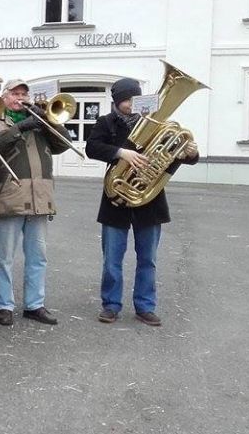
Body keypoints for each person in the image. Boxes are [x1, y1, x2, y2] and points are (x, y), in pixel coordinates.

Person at [85, 77, 198, 327]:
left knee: (148, 258)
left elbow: (177, 155)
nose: (130, 104)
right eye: (125, 100)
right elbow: (91, 147)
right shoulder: (105, 122)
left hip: (149, 201)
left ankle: (145, 306)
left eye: (134, 99)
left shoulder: (158, 124)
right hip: (117, 199)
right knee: (112, 259)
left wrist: (191, 153)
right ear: (116, 102)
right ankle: (111, 305)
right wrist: (121, 152)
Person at [0, 79, 71, 327]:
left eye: (24, 94)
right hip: (9, 196)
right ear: (5, 97)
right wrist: (21, 127)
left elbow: (65, 143)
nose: (21, 98)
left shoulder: (41, 122)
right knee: (4, 257)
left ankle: (34, 304)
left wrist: (48, 119)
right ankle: (5, 305)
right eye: (16, 93)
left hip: (39, 198)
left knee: (38, 256)